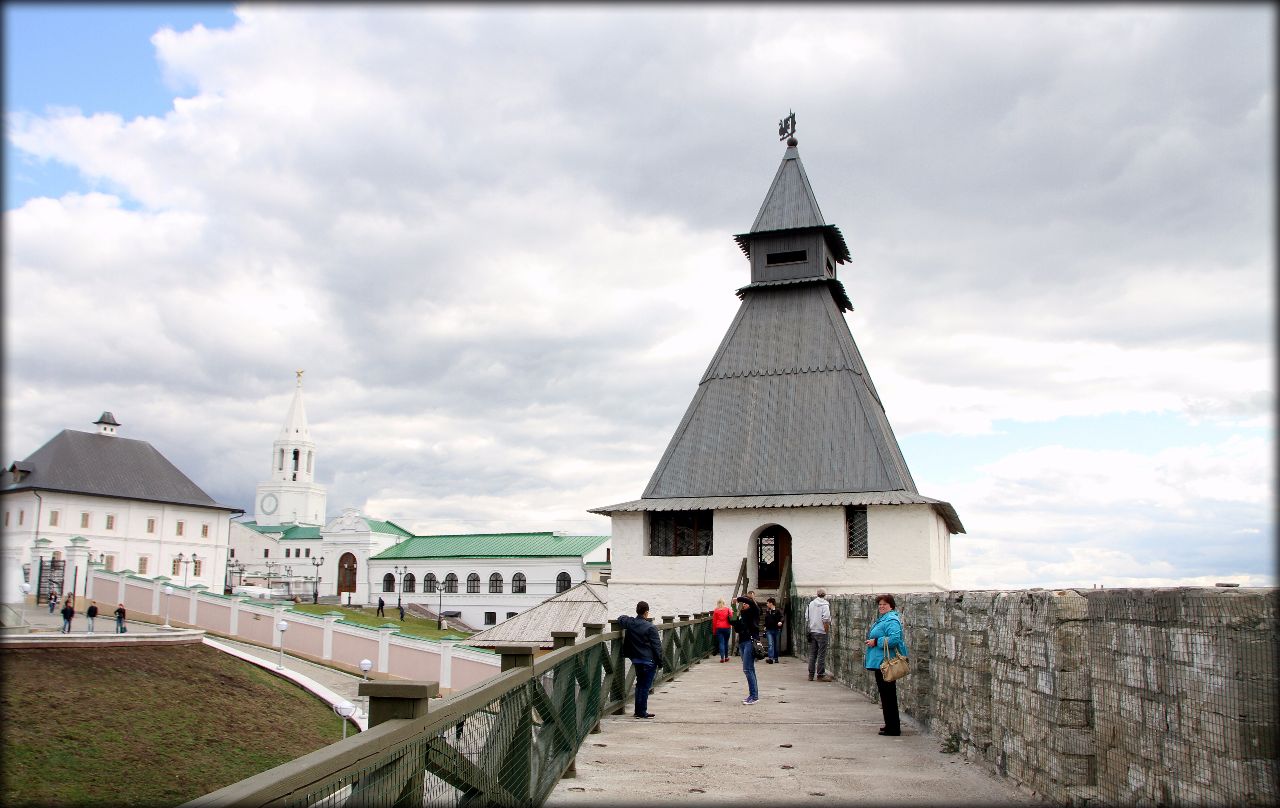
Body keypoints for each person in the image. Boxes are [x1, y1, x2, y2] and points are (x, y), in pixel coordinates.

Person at [864, 593, 907, 736]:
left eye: (884, 604)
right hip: (880, 662)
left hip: (886, 663)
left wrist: (876, 642)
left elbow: (895, 638)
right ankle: (890, 724)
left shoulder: (891, 620)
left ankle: (893, 727)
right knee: (885, 695)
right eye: (880, 604)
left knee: (888, 695)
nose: (881, 607)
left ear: (891, 606)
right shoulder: (884, 618)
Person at [617, 600, 664, 719]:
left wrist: (628, 617)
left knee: (639, 685)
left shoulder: (630, 623)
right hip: (649, 661)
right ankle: (641, 711)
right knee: (644, 687)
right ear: (646, 612)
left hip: (636, 660)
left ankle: (639, 711)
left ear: (637, 611)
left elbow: (621, 618)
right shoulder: (651, 627)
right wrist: (660, 662)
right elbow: (657, 647)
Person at [735, 592, 761, 705]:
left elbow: (750, 602)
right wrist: (733, 620)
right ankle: (753, 695)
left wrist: (739, 598)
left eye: (745, 603)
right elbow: (738, 629)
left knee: (747, 669)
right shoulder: (743, 614)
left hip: (750, 641)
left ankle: (754, 696)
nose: (743, 605)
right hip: (742, 642)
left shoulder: (755, 610)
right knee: (750, 669)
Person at [806, 588, 832, 681]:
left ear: (817, 594)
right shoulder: (825, 605)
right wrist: (826, 630)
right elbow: (826, 618)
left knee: (813, 654)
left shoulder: (811, 604)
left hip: (812, 631)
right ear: (824, 595)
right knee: (821, 654)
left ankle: (811, 674)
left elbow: (807, 617)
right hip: (821, 631)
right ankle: (820, 674)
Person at [763, 597, 784, 663]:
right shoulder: (767, 611)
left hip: (776, 630)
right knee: (770, 644)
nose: (767, 604)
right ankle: (770, 658)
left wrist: (781, 622)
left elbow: (782, 617)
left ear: (771, 603)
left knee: (776, 645)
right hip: (769, 630)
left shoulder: (778, 611)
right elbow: (767, 620)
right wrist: (765, 626)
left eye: (767, 603)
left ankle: (776, 657)